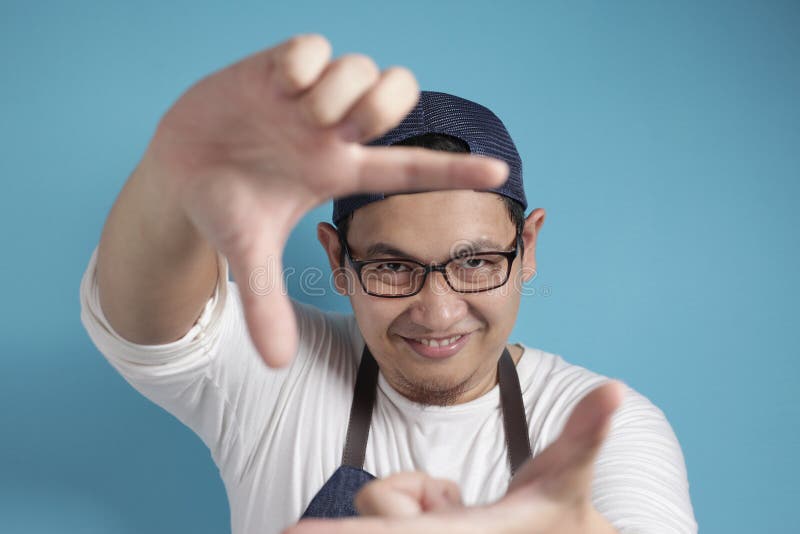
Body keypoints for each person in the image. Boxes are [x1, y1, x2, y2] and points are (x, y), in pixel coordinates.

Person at [79, 34, 697, 534]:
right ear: (337, 260)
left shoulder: (599, 428)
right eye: (391, 266)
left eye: (476, 262)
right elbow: (145, 321)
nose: (436, 311)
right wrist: (172, 176)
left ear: (527, 247)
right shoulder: (277, 374)